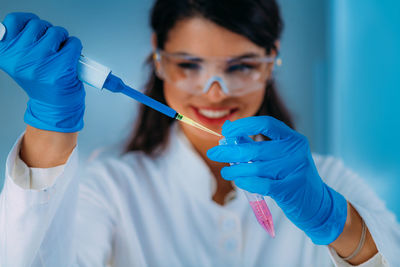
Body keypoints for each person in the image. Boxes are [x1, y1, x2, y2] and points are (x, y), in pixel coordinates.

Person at [0, 0, 399, 266]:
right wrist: (48, 127)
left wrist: (334, 219)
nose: (213, 91)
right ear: (158, 56)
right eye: (189, 65)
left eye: (241, 66)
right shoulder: (111, 183)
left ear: (271, 60)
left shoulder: (329, 179)